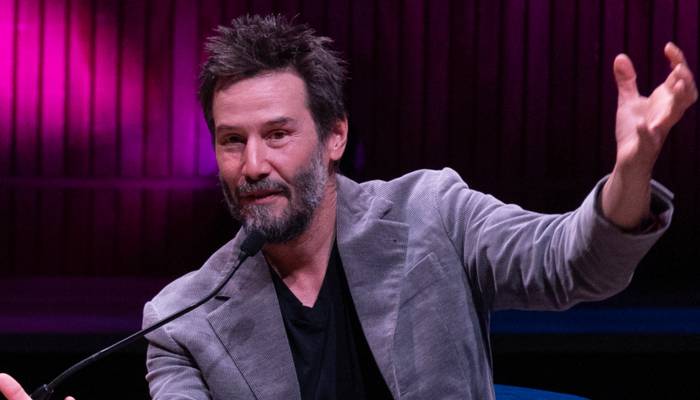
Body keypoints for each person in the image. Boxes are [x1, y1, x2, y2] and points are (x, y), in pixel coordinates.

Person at [1, 14, 697, 400]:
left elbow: (574, 264)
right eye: (232, 141)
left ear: (334, 136)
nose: (253, 165)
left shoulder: (433, 213)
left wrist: (630, 170)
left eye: (278, 135)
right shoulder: (180, 320)